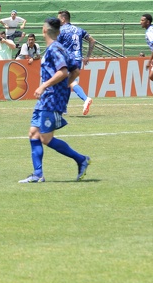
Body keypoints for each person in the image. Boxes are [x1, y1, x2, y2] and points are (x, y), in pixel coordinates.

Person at [19, 16, 91, 183]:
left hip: (51, 99)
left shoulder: (54, 49)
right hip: (46, 98)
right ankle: (37, 175)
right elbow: (75, 71)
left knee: (45, 138)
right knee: (33, 134)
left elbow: (63, 71)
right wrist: (66, 86)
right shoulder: (60, 48)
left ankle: (81, 159)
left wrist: (45, 86)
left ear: (45, 30)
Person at [57, 10, 96, 115]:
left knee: (67, 82)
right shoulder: (79, 30)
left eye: (59, 18)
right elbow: (92, 41)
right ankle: (64, 108)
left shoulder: (61, 30)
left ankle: (85, 98)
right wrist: (87, 56)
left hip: (67, 59)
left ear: (63, 19)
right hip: (78, 60)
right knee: (68, 82)